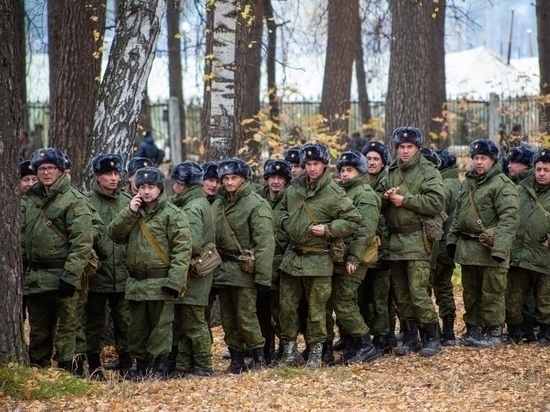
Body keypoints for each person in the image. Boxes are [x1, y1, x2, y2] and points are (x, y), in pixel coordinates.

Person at [278, 143, 362, 369]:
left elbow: (353, 220)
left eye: (316, 164)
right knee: (286, 307)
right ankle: (289, 351)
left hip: (319, 259)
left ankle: (316, 352)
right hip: (292, 258)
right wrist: (286, 223)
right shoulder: (294, 188)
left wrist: (328, 230)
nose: (312, 168)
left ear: (324, 165)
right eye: (308, 164)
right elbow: (281, 211)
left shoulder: (334, 192)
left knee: (317, 310)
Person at [108, 167, 191, 380]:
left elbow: (182, 250)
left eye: (151, 187)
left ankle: (160, 368)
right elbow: (114, 235)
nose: (146, 192)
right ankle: (142, 367)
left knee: (161, 329)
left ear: (160, 189)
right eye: (142, 187)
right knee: (136, 329)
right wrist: (129, 212)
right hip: (136, 283)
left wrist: (175, 281)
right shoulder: (132, 212)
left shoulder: (173, 214)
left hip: (161, 281)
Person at [22, 148, 94, 373]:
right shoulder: (29, 201)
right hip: (35, 278)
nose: (45, 173)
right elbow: (21, 236)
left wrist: (70, 277)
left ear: (61, 170)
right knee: (39, 329)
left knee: (68, 329)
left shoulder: (74, 200)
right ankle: (38, 371)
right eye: (41, 169)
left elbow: (82, 243)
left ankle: (70, 373)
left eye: (50, 168)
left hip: (63, 276)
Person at [380, 127, 446, 357]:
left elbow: (437, 201)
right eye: (401, 147)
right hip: (395, 241)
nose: (405, 151)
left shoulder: (428, 170)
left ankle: (432, 337)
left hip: (418, 240)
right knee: (401, 294)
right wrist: (385, 198)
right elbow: (377, 200)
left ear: (417, 148)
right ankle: (410, 336)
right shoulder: (392, 171)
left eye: (409, 147)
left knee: (418, 292)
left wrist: (405, 200)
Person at [447, 139, 519, 348]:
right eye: (476, 158)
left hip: (490, 249)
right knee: (471, 292)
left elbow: (509, 219)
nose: (479, 162)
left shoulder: (502, 185)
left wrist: (500, 249)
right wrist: (452, 241)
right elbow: (459, 214)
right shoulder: (468, 182)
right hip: (469, 249)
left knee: (493, 292)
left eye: (483, 158)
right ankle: (474, 329)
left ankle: (494, 331)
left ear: (493, 160)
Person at [212, 158, 275, 373]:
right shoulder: (219, 204)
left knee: (246, 316)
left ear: (243, 179)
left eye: (234, 178)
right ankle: (236, 359)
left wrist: (263, 278)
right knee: (228, 319)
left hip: (244, 271)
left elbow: (265, 244)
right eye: (226, 178)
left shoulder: (256, 204)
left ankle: (258, 358)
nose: (229, 182)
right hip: (223, 271)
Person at [325, 150, 380, 365]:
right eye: (342, 170)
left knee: (344, 301)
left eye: (350, 170)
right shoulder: (343, 192)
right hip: (340, 256)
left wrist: (354, 258)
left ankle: (366, 345)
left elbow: (365, 231)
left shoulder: (365, 194)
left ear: (360, 171)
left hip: (355, 258)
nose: (345, 174)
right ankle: (352, 345)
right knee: (344, 301)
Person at [84, 154, 132, 380]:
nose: (113, 178)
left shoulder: (128, 201)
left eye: (116, 174)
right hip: (96, 275)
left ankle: (128, 365)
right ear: (97, 177)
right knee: (93, 323)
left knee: (125, 322)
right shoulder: (86, 202)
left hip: (124, 274)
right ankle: (94, 367)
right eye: (107, 174)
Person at [169, 162, 215, 377]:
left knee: (195, 323)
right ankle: (184, 365)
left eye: (175, 183)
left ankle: (203, 366)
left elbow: (193, 243)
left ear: (181, 185)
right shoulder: (199, 202)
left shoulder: (192, 207)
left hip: (193, 274)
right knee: (186, 323)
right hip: (194, 273)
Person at [505, 148, 550, 347]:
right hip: (519, 255)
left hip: (545, 257)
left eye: (546, 170)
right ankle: (516, 333)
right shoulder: (520, 190)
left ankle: (546, 335)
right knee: (513, 298)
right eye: (538, 169)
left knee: (545, 298)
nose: (541, 173)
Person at [359, 140, 395, 354]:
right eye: (368, 158)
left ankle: (384, 337)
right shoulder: (359, 181)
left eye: (376, 159)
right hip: (363, 249)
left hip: (383, 248)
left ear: (383, 163)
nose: (371, 162)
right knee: (361, 296)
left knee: (381, 297)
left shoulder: (388, 183)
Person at [256, 159, 292, 364]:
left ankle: (284, 350)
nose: (276, 182)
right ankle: (266, 350)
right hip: (262, 262)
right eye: (272, 177)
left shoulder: (290, 199)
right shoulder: (258, 198)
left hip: (282, 260)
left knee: (281, 310)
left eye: (280, 178)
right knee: (261, 309)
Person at [432, 149, 461, 345]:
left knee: (425, 285)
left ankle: (430, 331)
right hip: (453, 245)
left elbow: (434, 214)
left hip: (439, 244)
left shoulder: (442, 186)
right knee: (444, 285)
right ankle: (448, 330)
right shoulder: (460, 184)